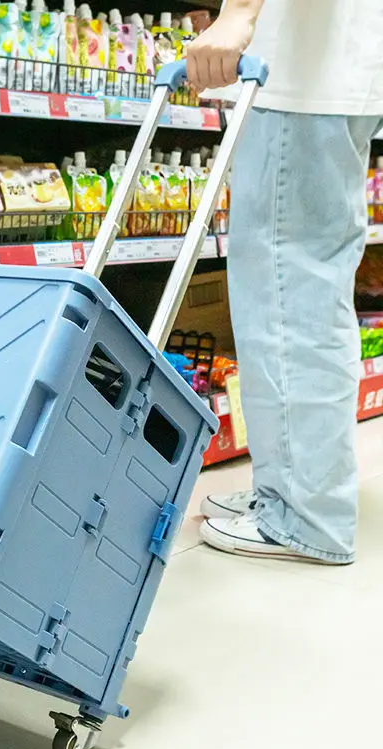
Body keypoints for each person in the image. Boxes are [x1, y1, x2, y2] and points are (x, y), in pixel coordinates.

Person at [185, 0, 383, 565]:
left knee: (287, 295)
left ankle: (304, 516)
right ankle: (290, 492)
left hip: (300, 76)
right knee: (305, 292)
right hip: (332, 73)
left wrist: (239, 14)